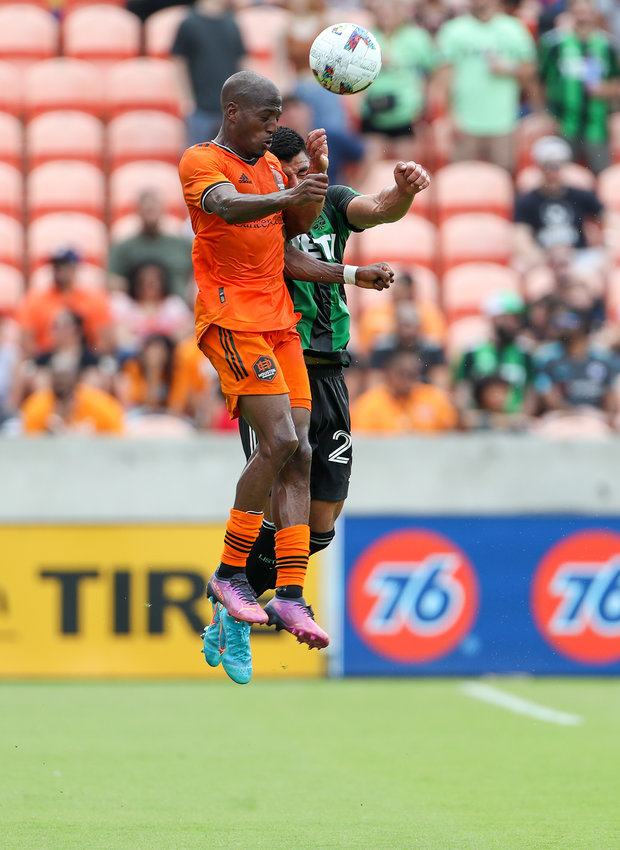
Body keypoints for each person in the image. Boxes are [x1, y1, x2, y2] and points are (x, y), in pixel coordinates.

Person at [205, 124, 428, 683]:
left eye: (310, 170)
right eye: (297, 172)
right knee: (287, 481)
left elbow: (377, 210)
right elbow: (283, 263)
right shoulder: (265, 211)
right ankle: (240, 600)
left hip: (331, 368)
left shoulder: (328, 197)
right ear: (278, 174)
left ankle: (237, 596)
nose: (308, 178)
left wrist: (403, 190)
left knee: (320, 521)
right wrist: (353, 273)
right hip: (278, 358)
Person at [178, 70, 333, 675]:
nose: (275, 126)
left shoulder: (273, 166)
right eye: (267, 116)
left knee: (301, 457)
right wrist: (286, 194)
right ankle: (228, 574)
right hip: (232, 317)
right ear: (233, 109)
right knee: (282, 440)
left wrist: (313, 177)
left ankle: (290, 595)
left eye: (278, 118)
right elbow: (227, 207)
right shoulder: (200, 160)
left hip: (278, 320)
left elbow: (293, 234)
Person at [435, 0, 540, 172]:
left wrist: (509, 68)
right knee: (462, 177)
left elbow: (531, 71)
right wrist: (448, 115)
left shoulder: (514, 28)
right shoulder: (454, 30)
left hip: (504, 122)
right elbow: (443, 77)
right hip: (464, 123)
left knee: (502, 178)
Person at [539, 0, 620, 174]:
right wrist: (544, 112)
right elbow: (540, 80)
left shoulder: (608, 46)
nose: (582, 16)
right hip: (564, 124)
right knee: (563, 175)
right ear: (570, 13)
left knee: (601, 174)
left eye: (587, 11)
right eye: (578, 11)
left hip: (597, 125)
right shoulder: (554, 44)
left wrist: (605, 89)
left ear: (595, 14)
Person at [513, 135, 606, 273]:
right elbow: (520, 235)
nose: (552, 173)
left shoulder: (580, 195)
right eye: (547, 166)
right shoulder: (527, 201)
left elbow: (608, 215)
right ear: (539, 167)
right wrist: (540, 258)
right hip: (544, 260)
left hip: (578, 258)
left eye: (556, 166)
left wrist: (608, 240)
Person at [360, 0, 437, 162]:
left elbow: (429, 72)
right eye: (382, 9)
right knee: (370, 165)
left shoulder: (416, 38)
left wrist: (424, 107)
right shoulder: (367, 38)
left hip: (406, 113)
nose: (386, 14)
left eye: (392, 9)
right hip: (374, 111)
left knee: (406, 168)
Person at [171, 0, 246, 147]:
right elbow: (179, 63)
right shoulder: (189, 24)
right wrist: (186, 99)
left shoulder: (232, 24)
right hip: (200, 108)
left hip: (229, 109)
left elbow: (242, 63)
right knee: (199, 158)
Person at [455, 290, 536, 421]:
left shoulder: (525, 352)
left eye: (516, 318)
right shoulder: (471, 350)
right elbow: (463, 390)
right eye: (508, 317)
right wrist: (472, 416)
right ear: (492, 318)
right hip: (481, 422)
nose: (513, 323)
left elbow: (530, 391)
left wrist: (522, 417)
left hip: (515, 423)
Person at [18, 248, 113, 359]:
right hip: (47, 359)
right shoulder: (34, 300)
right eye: (56, 266)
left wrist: (88, 358)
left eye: (64, 265)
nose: (59, 270)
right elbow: (26, 343)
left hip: (84, 359)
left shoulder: (94, 299)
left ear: (75, 268)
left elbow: (105, 343)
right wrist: (44, 359)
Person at [107, 190, 194, 300]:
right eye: (146, 209)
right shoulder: (123, 248)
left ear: (163, 210)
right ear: (137, 211)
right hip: (136, 311)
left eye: (153, 208)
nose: (150, 213)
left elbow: (199, 276)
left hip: (178, 308)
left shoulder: (182, 246)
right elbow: (112, 280)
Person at [351, 348, 458, 433]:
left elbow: (455, 430)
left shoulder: (434, 398)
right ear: (389, 373)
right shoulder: (369, 403)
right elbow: (362, 441)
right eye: (401, 374)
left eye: (412, 375)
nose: (407, 380)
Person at [21, 352, 125, 435]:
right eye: (58, 378)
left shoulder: (101, 406)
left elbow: (117, 437)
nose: (62, 383)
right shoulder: (37, 406)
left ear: (76, 379)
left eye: (66, 377)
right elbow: (29, 444)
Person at [111, 261, 194, 356]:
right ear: (135, 283)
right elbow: (120, 336)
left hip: (168, 357)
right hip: (134, 357)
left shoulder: (173, 305)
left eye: (153, 282)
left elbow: (185, 332)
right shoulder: (125, 304)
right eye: (143, 282)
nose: (148, 286)